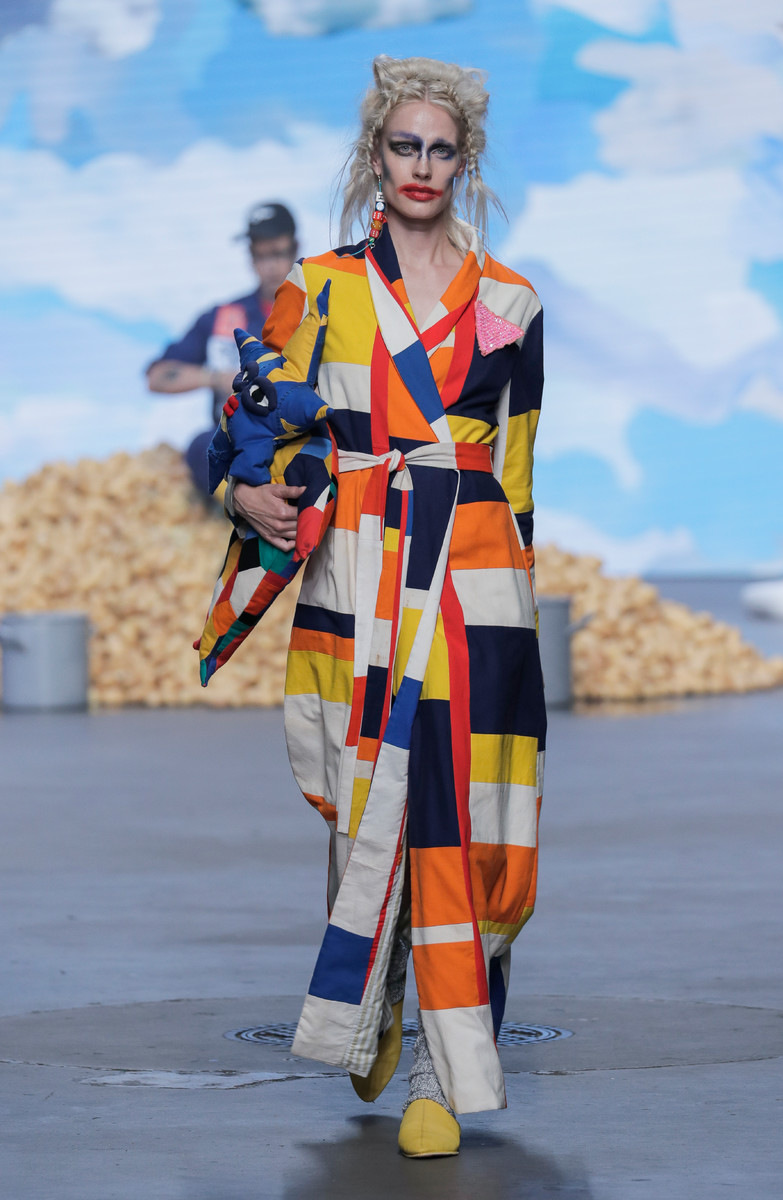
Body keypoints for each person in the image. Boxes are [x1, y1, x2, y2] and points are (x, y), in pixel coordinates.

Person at [226, 56, 546, 1157]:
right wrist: (246, 490)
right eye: (404, 146)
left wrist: (519, 612)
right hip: (358, 568)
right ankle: (377, 1002)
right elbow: (260, 424)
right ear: (375, 154)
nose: (421, 165)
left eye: (441, 150)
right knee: (370, 801)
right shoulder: (317, 288)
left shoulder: (510, 299)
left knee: (457, 808)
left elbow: (518, 466)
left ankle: (436, 1070)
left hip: (474, 575)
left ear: (465, 163)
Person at [146, 202, 298, 493]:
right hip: (238, 444)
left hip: (302, 439)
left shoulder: (318, 312)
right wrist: (218, 378)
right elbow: (157, 377)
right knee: (204, 448)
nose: (269, 266)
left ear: (295, 249)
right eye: (260, 255)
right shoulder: (224, 318)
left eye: (278, 253)